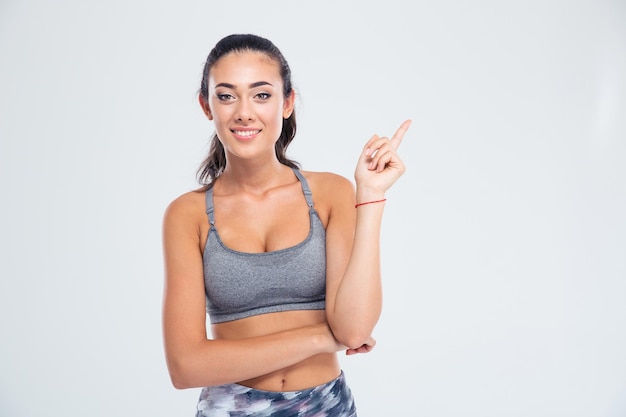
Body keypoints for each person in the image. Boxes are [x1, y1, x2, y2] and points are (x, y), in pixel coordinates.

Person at [161, 33, 411, 417]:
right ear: (206, 106)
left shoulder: (329, 193)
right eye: (226, 95)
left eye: (261, 95)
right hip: (230, 409)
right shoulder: (187, 215)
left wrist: (371, 196)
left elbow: (354, 328)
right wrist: (321, 337)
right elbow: (186, 366)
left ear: (287, 102)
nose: (244, 112)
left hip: (326, 406)